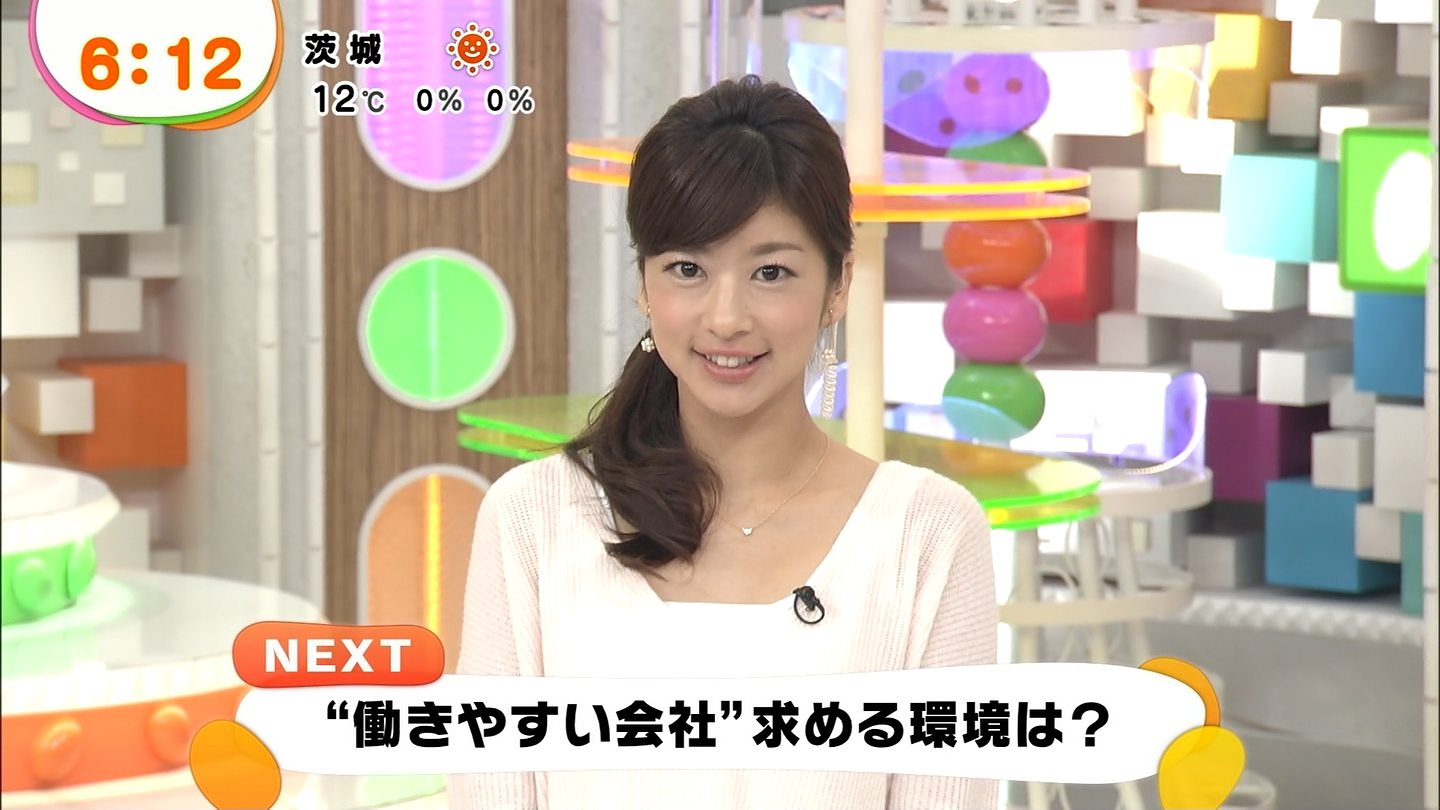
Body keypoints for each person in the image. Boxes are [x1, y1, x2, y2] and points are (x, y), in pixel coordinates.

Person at [449, 75, 998, 810]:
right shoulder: (532, 519)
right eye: (688, 270)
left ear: (839, 284)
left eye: (771, 272)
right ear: (645, 286)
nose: (727, 317)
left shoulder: (928, 535)